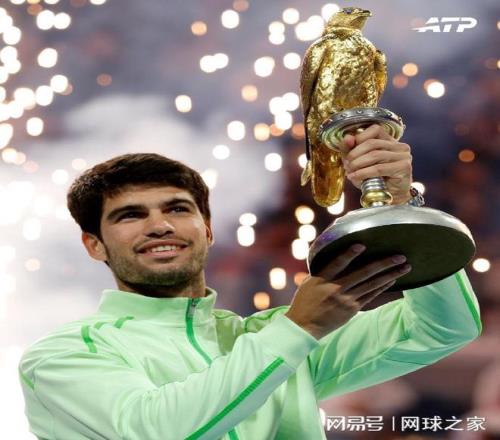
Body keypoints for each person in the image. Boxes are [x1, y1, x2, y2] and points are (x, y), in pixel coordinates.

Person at [19, 125, 482, 440]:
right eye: (130, 216)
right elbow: (159, 430)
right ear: (94, 245)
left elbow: (443, 328)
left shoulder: (268, 338)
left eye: (177, 209)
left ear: (207, 230)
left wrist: (399, 208)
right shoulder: (63, 355)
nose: (159, 226)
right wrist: (298, 329)